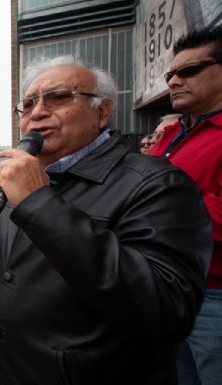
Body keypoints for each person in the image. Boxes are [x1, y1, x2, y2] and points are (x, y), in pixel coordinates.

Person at [0, 55, 212, 385]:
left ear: (102, 111)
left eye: (59, 97)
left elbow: (168, 309)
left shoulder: (157, 184)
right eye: (28, 104)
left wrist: (39, 203)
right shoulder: (35, 178)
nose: (38, 111)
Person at [149, 24, 222, 385]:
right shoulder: (174, 135)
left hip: (214, 296)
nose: (174, 81)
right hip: (168, 289)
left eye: (189, 71)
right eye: (171, 73)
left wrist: (153, 212)